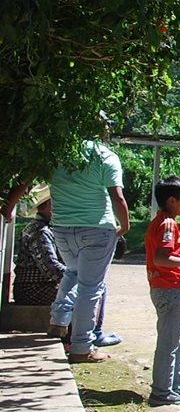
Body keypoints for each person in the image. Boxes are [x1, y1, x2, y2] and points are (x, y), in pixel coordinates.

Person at [48, 137, 130, 363]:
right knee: (91, 288)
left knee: (72, 271)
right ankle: (82, 347)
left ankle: (58, 321)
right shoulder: (105, 157)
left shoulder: (59, 153)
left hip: (62, 228)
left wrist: (8, 206)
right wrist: (124, 225)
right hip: (96, 230)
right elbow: (117, 197)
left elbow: (25, 181)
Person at [12, 190, 120, 346]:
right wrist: (79, 276)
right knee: (90, 289)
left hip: (37, 286)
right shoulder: (40, 231)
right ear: (48, 206)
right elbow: (50, 268)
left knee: (90, 286)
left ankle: (86, 333)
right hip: (33, 289)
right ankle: (86, 337)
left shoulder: (47, 228)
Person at [145, 175, 180, 407]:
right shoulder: (168, 224)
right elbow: (162, 257)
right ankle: (161, 391)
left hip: (168, 289)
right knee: (169, 341)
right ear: (171, 201)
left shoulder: (161, 221)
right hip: (169, 290)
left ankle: (172, 384)